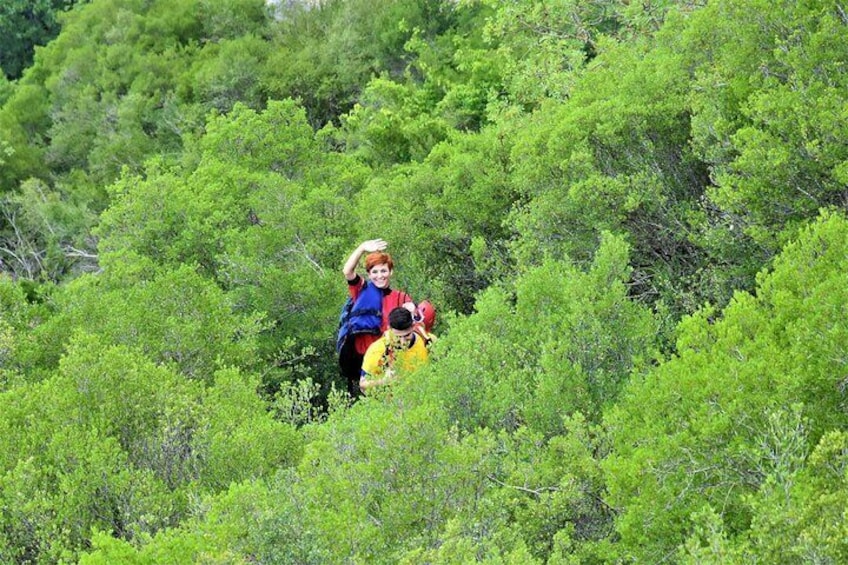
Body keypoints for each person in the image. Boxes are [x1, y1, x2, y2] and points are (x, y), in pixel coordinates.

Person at [339, 239, 414, 397]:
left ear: (390, 272)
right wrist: (362, 248)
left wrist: (412, 311)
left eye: (383, 271)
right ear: (369, 274)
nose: (380, 276)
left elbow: (410, 315)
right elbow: (347, 271)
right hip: (365, 359)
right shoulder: (361, 290)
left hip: (389, 359)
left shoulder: (401, 297)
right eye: (375, 272)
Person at [359, 307, 433, 392]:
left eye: (407, 335)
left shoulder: (426, 341)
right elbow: (362, 385)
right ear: (389, 329)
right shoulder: (377, 350)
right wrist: (384, 381)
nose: (403, 342)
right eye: (398, 337)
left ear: (413, 326)